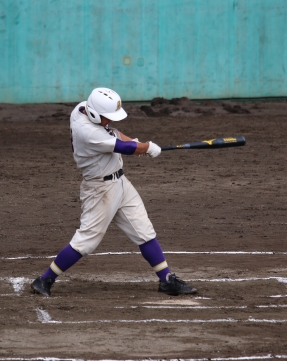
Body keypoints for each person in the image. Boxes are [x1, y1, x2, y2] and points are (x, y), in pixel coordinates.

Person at [31, 88, 197, 297]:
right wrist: (146, 147)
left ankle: (166, 280)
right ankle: (44, 279)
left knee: (143, 230)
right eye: (107, 116)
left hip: (120, 183)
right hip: (100, 190)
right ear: (94, 114)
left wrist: (137, 143)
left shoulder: (82, 108)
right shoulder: (89, 133)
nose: (109, 120)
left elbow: (114, 134)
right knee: (87, 240)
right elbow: (124, 148)